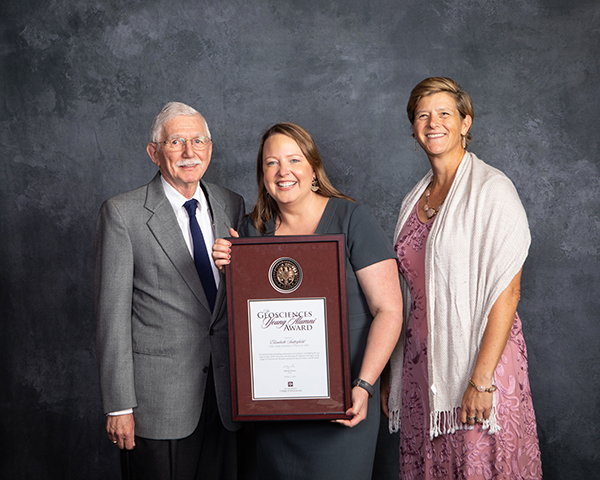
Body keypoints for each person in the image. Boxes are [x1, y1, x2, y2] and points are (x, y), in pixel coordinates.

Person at [213, 122, 403, 480]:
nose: (283, 172)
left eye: (294, 160)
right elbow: (246, 319)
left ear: (313, 168)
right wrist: (229, 268)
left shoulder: (351, 219)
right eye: (271, 163)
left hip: (346, 405)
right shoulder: (252, 232)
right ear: (262, 175)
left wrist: (363, 386)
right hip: (276, 413)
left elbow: (389, 310)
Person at [384, 77, 542, 478]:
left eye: (444, 114)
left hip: (477, 365)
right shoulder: (412, 200)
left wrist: (482, 380)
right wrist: (393, 373)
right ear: (413, 127)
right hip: (422, 369)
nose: (433, 123)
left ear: (465, 122)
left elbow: (507, 292)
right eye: (422, 115)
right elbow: (404, 294)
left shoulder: (493, 190)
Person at [95, 102, 245, 480]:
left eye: (198, 141)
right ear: (154, 152)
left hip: (228, 398)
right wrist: (118, 406)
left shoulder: (232, 203)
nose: (189, 152)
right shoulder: (123, 213)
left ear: (210, 148)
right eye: (176, 141)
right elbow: (111, 316)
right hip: (157, 403)